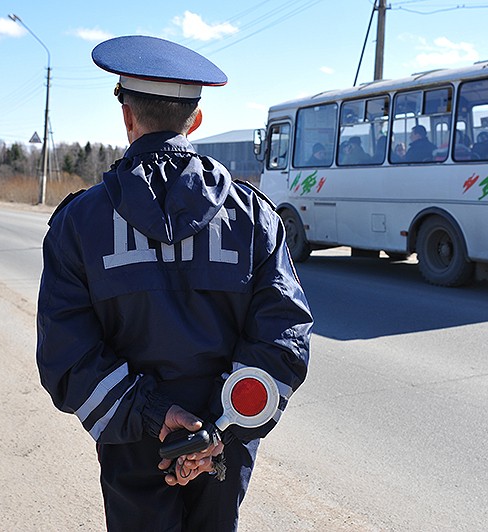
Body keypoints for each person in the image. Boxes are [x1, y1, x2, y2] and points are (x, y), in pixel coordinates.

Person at [36, 35, 313, 532]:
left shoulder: (79, 222)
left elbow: (65, 353)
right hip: (222, 445)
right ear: (196, 120)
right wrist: (215, 432)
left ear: (127, 119)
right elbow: (285, 336)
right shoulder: (254, 217)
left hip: (133, 445)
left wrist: (156, 415)